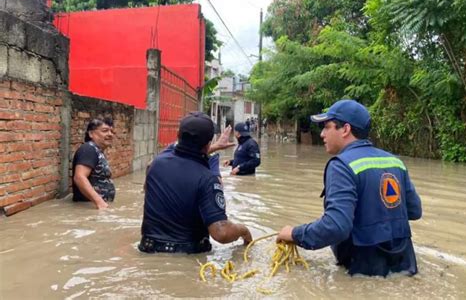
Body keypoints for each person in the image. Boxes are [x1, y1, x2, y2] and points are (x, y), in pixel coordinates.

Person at [276, 100, 422, 277]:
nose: (322, 134)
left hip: (364, 271)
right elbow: (414, 211)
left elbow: (336, 227)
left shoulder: (342, 165)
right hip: (406, 264)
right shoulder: (395, 162)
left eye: (327, 127)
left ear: (345, 129)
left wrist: (294, 233)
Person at [139, 112, 253, 254]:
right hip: (187, 257)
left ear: (177, 135)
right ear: (208, 144)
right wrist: (244, 230)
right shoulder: (208, 179)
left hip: (147, 249)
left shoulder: (155, 165)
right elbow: (221, 233)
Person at [72, 118, 115, 209]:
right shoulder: (89, 149)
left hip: (93, 207)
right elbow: (79, 177)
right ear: (91, 133)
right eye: (105, 131)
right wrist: (99, 202)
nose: (110, 134)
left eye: (112, 131)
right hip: (88, 207)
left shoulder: (97, 150)